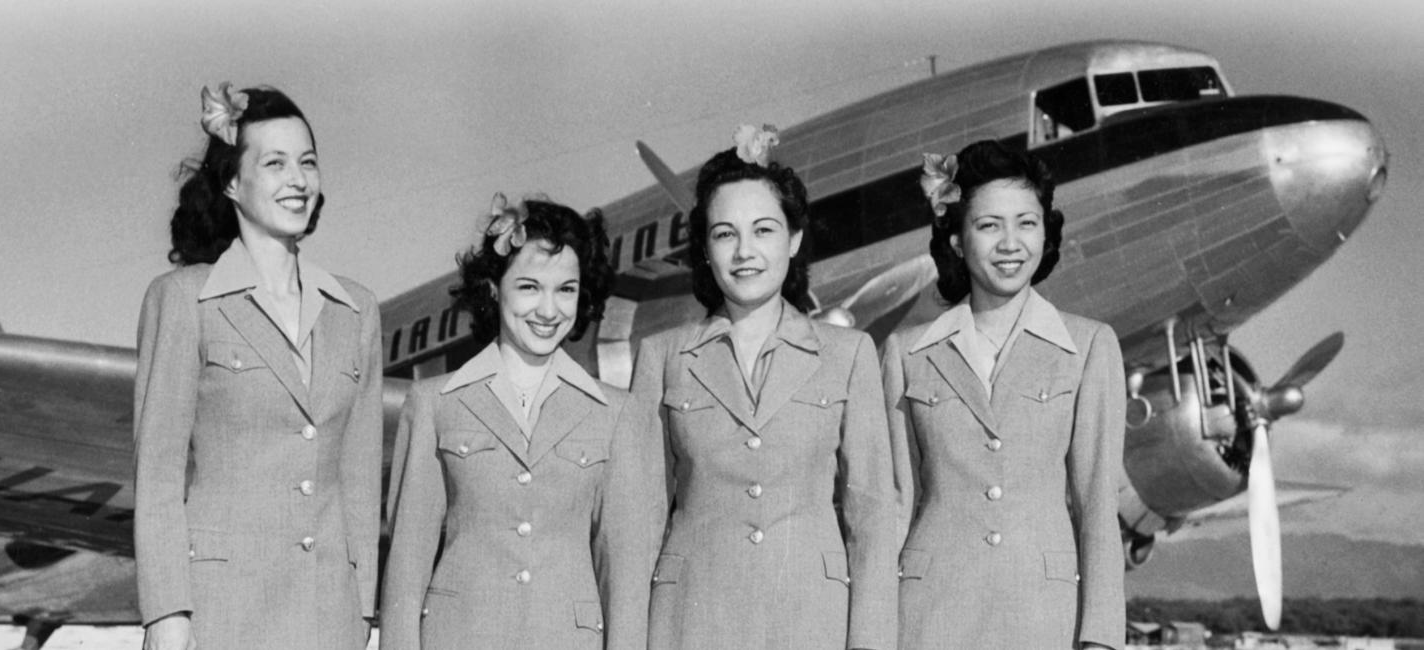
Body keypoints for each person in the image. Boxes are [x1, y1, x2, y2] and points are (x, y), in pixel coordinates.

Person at [628, 125, 898, 650]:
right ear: (704, 249)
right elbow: (634, 525)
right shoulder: (661, 359)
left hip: (813, 624)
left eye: (764, 230)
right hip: (688, 626)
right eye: (725, 233)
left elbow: (872, 519)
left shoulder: (849, 354)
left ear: (795, 239)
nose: (744, 251)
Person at [134, 83, 382, 650]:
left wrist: (362, 606)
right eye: (274, 163)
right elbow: (159, 477)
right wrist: (167, 614)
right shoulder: (181, 300)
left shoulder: (357, 310)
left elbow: (360, 480)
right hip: (219, 611)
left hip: (329, 616)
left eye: (308, 163)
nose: (297, 180)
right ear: (231, 183)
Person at [379, 195, 655, 650]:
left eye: (565, 289)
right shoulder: (432, 403)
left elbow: (624, 579)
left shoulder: (617, 413)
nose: (548, 310)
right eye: (529, 287)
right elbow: (406, 572)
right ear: (493, 287)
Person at [882, 140, 1124, 649]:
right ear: (956, 241)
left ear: (1046, 233)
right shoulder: (905, 353)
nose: (1010, 243)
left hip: (1046, 619)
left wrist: (1101, 638)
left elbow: (1097, 504)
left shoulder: (1090, 346)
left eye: (1026, 223)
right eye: (989, 225)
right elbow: (895, 504)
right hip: (927, 619)